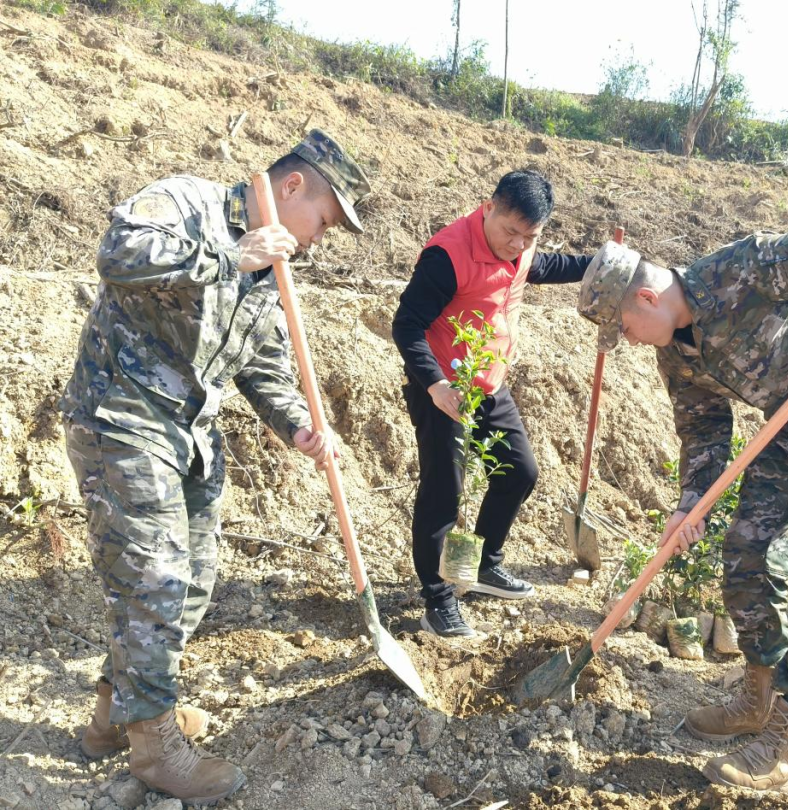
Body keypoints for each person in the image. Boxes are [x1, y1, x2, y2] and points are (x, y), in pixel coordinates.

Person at [60, 130, 370, 804]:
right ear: (292, 187)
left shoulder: (272, 271)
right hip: (122, 416)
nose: (320, 238)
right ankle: (154, 749)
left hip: (190, 436)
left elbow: (265, 366)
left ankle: (115, 718)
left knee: (194, 581)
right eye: (323, 220)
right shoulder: (185, 203)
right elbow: (118, 254)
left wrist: (299, 425)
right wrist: (231, 254)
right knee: (156, 579)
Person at [578, 221, 788, 792]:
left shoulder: (749, 270)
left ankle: (786, 741)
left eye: (624, 328)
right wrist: (690, 504)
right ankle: (759, 695)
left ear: (648, 298)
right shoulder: (674, 353)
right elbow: (703, 428)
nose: (627, 340)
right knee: (745, 553)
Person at [391, 170, 591, 638]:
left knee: (519, 473)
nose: (517, 245)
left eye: (530, 237)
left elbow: (545, 267)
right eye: (510, 232)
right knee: (444, 492)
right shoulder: (447, 256)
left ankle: (483, 564)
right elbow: (406, 325)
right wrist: (437, 386)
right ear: (488, 208)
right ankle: (438, 600)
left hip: (488, 384)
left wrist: (601, 264)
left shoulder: (520, 250)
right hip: (444, 388)